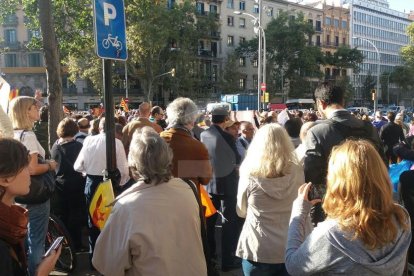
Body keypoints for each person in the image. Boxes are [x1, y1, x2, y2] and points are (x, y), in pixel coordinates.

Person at [285, 140, 411, 275]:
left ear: (337, 181)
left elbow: (294, 266)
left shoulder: (332, 235)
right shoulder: (401, 217)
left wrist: (299, 212)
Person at [92, 127, 207, 275]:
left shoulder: (126, 207)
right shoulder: (187, 190)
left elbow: (107, 264)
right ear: (168, 158)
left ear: (133, 165)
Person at [304, 82, 384, 225]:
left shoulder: (317, 132)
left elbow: (312, 176)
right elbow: (383, 164)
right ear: (343, 101)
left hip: (336, 209)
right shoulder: (369, 128)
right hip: (371, 207)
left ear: (320, 103)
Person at [236, 124, 305, 276]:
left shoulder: (249, 171)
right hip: (291, 244)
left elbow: (241, 211)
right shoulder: (297, 170)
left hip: (258, 246)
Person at [8, 96, 58, 275]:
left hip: (16, 193)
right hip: (34, 193)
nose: (38, 109)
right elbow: (33, 168)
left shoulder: (12, 133)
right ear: (26, 111)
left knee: (24, 238)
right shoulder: (28, 135)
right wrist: (50, 165)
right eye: (34, 107)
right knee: (36, 240)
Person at [0, 138, 61, 276]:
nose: (30, 173)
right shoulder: (3, 245)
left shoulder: (10, 224)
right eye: (25, 167)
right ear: (5, 179)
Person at [74, 117, 129, 266]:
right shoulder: (116, 143)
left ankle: (94, 259)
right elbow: (124, 170)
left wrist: (89, 172)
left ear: (100, 128)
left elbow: (78, 166)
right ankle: (109, 259)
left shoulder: (89, 141)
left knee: (93, 220)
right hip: (110, 185)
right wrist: (121, 184)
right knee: (111, 222)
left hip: (92, 183)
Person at [201, 107, 241, 272]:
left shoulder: (203, 134)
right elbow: (236, 158)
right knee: (228, 224)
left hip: (210, 184)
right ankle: (227, 261)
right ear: (225, 119)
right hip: (227, 186)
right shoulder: (227, 137)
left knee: (209, 224)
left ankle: (210, 258)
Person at [160, 97, 212, 192]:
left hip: (159, 197)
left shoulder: (156, 140)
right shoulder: (197, 147)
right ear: (192, 120)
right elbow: (205, 179)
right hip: (188, 198)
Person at [50, 118, 86, 252]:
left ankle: (64, 242)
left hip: (60, 184)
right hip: (76, 183)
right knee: (75, 214)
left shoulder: (55, 146)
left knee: (63, 214)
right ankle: (76, 244)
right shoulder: (78, 146)